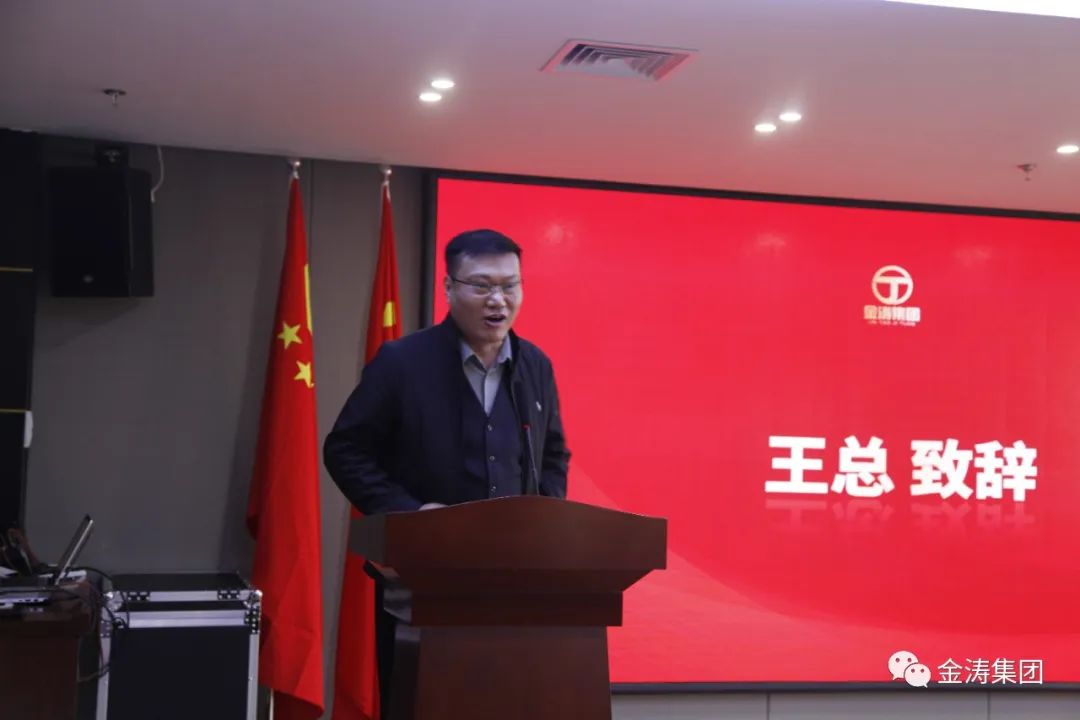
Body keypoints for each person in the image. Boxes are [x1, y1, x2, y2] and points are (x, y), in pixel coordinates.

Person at [323, 228, 571, 714]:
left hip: (513, 584)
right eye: (482, 285)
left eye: (510, 285)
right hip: (422, 582)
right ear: (449, 287)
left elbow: (553, 453)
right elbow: (345, 449)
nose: (498, 300)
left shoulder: (535, 365)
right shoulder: (403, 362)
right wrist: (411, 514)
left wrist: (545, 520)